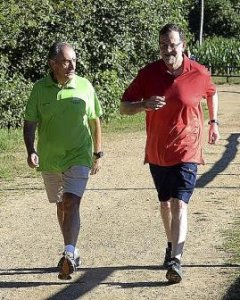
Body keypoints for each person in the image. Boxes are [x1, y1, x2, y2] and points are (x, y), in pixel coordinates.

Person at [120, 23, 220, 284]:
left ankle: (177, 258)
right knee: (165, 203)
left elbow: (212, 92)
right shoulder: (148, 74)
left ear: (183, 45)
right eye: (163, 45)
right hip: (157, 151)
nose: (168, 49)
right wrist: (143, 104)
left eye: (173, 44)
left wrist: (214, 122)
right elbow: (123, 107)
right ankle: (170, 243)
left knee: (179, 202)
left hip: (188, 148)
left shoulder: (198, 72)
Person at [23, 42, 103, 280]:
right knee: (60, 204)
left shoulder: (85, 86)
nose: (72, 65)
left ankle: (68, 253)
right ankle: (72, 250)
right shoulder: (39, 89)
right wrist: (31, 149)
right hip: (49, 159)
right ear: (53, 64)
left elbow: (94, 119)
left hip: (79, 155)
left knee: (71, 202)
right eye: (67, 61)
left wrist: (98, 153)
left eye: (74, 60)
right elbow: (30, 122)